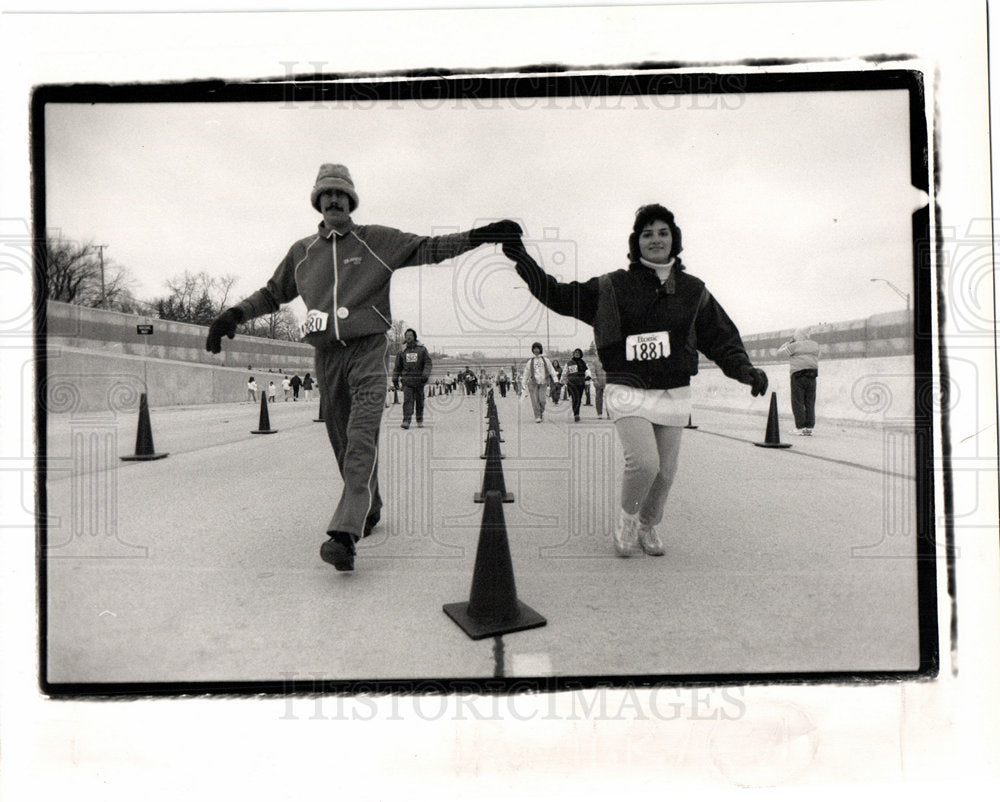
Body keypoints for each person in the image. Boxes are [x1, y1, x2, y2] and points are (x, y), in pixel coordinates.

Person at [206, 162, 521, 572]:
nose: (334, 200)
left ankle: (345, 533)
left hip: (369, 351)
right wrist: (233, 314)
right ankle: (368, 506)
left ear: (351, 201)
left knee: (361, 437)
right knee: (343, 444)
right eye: (327, 195)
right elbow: (272, 293)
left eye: (342, 194)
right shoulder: (302, 253)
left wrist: (482, 236)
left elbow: (431, 247)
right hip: (327, 358)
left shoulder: (375, 241)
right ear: (318, 202)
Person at [504, 203, 768, 558]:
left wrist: (745, 370)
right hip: (627, 388)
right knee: (645, 463)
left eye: (663, 232)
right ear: (636, 242)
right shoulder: (613, 286)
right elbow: (559, 294)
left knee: (666, 473)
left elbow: (721, 338)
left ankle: (649, 523)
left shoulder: (693, 291)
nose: (655, 239)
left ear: (674, 239)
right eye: (647, 233)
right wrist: (522, 259)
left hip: (673, 391)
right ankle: (628, 520)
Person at [777, 328, 820, 436]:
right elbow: (819, 355)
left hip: (798, 375)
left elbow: (779, 353)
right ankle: (809, 428)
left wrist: (789, 342)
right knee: (810, 401)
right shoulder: (815, 345)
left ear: (797, 335)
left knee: (798, 401)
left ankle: (800, 427)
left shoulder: (794, 346)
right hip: (812, 375)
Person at [392, 327, 432, 429]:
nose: (408, 337)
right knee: (407, 401)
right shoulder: (402, 351)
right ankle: (406, 421)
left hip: (419, 380)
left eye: (410, 335)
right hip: (407, 381)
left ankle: (419, 420)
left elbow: (427, 363)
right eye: (407, 335)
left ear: (414, 337)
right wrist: (395, 379)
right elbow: (397, 366)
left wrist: (425, 375)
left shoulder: (422, 349)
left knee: (419, 401)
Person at [519, 342, 560, 423]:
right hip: (533, 383)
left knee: (542, 400)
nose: (536, 350)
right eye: (534, 349)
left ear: (540, 349)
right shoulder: (530, 361)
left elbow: (552, 370)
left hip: (543, 383)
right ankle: (537, 416)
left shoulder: (546, 360)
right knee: (535, 401)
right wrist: (523, 383)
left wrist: (556, 381)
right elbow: (526, 373)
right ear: (533, 350)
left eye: (537, 348)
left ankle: (540, 412)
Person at [563, 348, 592, 422]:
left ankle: (577, 412)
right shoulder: (569, 363)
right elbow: (564, 373)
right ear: (573, 354)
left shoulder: (583, 363)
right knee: (574, 398)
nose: (577, 354)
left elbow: (587, 371)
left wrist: (588, 377)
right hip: (572, 383)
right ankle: (576, 414)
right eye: (575, 353)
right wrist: (561, 382)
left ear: (580, 354)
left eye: (578, 353)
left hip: (581, 383)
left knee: (578, 399)